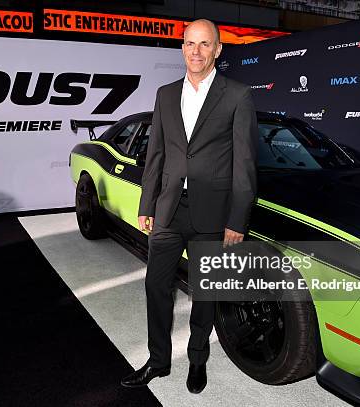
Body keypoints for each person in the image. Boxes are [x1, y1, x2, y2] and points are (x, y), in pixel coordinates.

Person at [120, 19, 258, 394]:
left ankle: (198, 359)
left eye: (204, 44)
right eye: (189, 43)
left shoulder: (237, 96)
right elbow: (157, 154)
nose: (195, 52)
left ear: (217, 50)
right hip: (168, 209)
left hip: (213, 215)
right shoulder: (165, 94)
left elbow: (244, 165)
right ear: (182, 47)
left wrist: (237, 220)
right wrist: (147, 202)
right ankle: (158, 360)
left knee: (205, 293)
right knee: (155, 286)